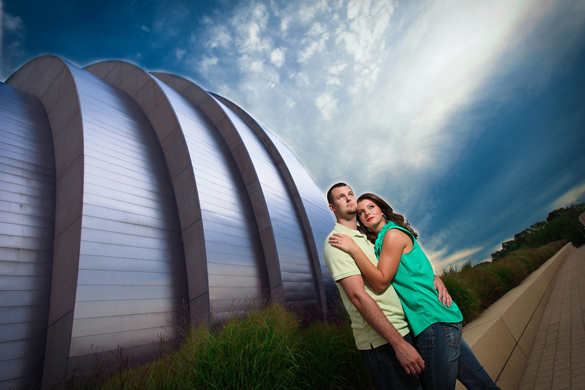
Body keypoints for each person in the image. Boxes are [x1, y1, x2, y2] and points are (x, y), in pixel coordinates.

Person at [329, 191, 500, 390]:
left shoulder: (392, 235)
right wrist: (434, 278)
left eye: (371, 207)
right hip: (440, 319)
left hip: (432, 322)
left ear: (382, 210)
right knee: (480, 383)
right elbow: (414, 270)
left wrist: (353, 249)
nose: (366, 213)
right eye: (360, 212)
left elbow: (381, 281)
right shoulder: (380, 242)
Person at [324, 183, 452, 390]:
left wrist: (433, 277)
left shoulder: (366, 239)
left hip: (405, 330)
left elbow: (401, 269)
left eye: (350, 194)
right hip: (383, 343)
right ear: (332, 207)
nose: (348, 199)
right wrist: (398, 344)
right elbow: (357, 296)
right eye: (341, 197)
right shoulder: (338, 243)